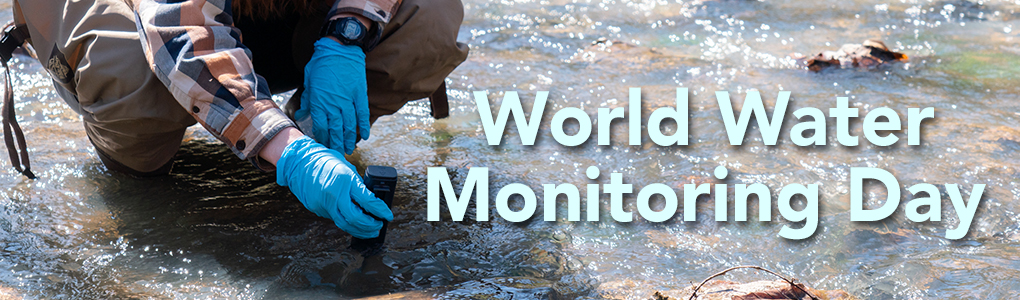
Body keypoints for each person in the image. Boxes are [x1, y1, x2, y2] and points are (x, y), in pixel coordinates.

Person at [3, 0, 468, 239]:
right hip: (146, 24)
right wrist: (292, 154)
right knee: (131, 68)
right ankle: (143, 171)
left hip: (254, 19)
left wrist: (347, 34)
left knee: (429, 13)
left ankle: (301, 127)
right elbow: (181, 33)